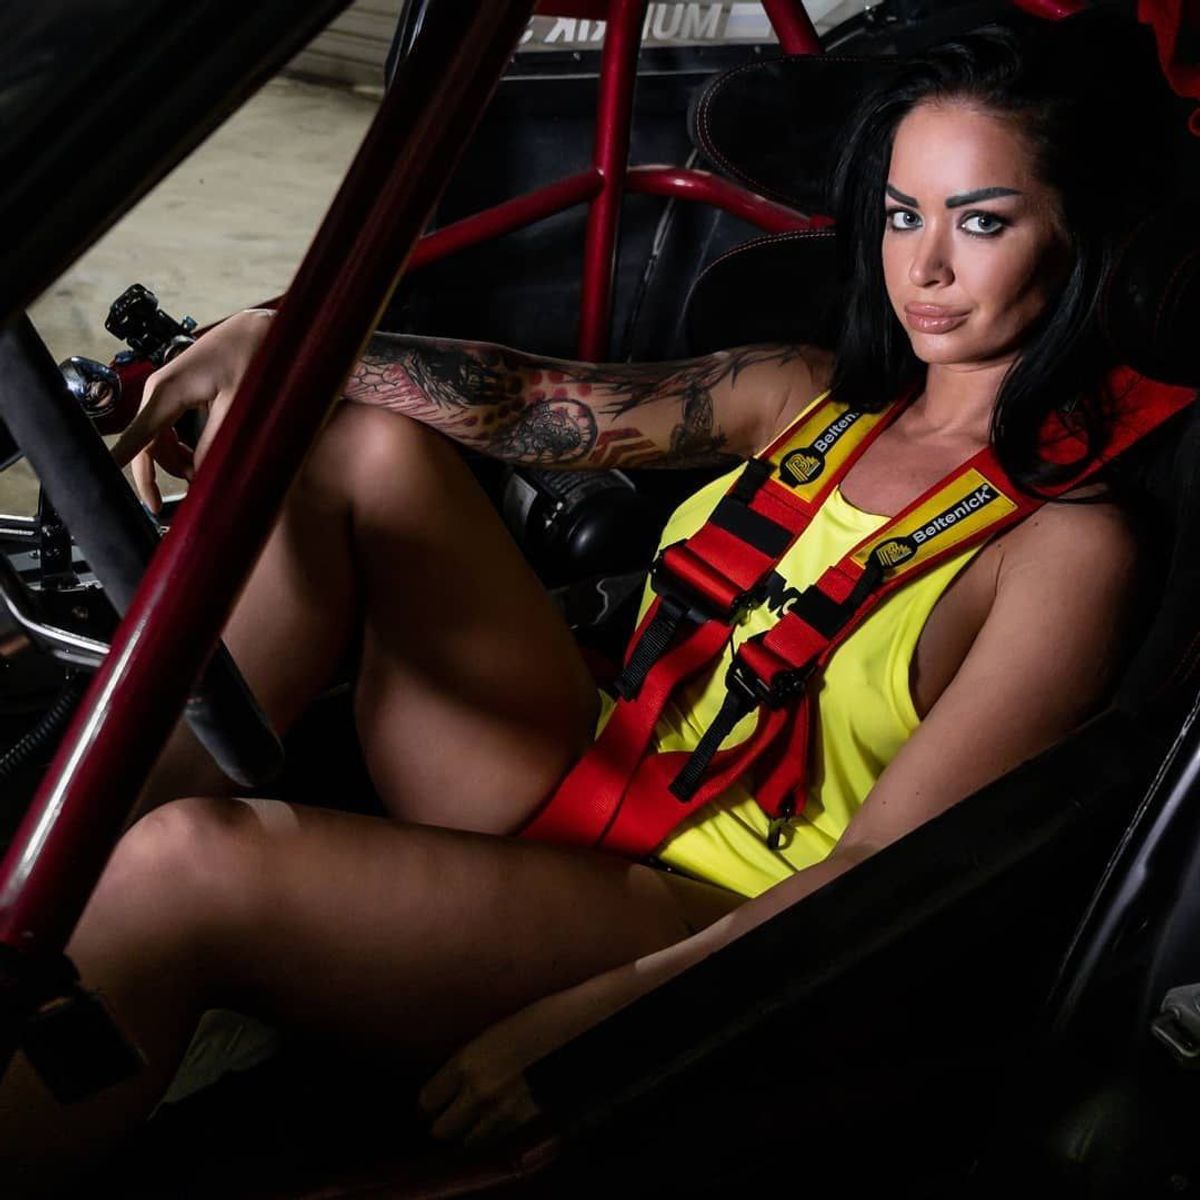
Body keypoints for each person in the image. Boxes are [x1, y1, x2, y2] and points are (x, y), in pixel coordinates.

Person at [0, 20, 1175, 1188]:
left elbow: (880, 881)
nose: (923, 268)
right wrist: (283, 343)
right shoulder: (805, 394)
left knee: (188, 866)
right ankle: (48, 879)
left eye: (982, 222)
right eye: (901, 215)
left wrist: (605, 1024)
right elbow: (532, 404)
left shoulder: (1068, 550)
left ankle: (88, 939)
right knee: (358, 448)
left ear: (1079, 235)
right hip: (587, 763)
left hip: (700, 917)